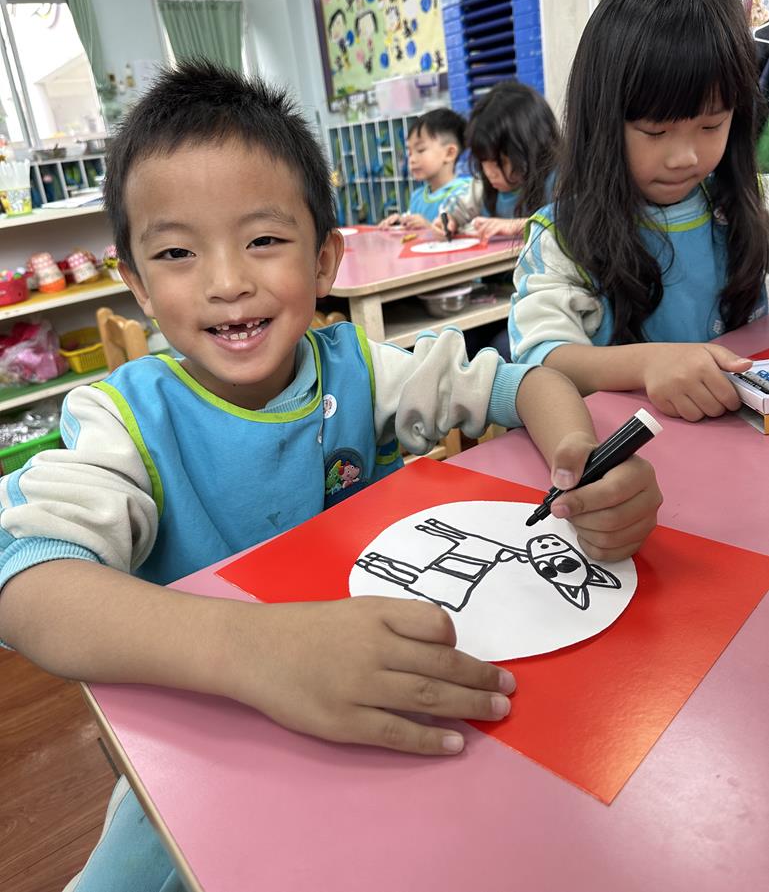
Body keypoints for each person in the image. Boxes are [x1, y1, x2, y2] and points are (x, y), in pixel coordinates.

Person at [0, 62, 661, 892]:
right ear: (135, 283)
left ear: (323, 260)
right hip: (209, 744)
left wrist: (578, 463)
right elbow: (26, 581)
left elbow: (520, 380)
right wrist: (257, 649)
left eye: (262, 240)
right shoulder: (125, 421)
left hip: (376, 709)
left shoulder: (360, 370)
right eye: (175, 252)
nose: (227, 281)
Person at [509, 0, 769, 421]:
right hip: (630, 446)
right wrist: (648, 363)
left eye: (711, 125)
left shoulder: (741, 205)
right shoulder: (563, 237)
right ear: (602, 119)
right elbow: (541, 358)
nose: (684, 156)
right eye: (655, 131)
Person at [435, 81, 559, 242]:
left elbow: (570, 220)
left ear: (532, 149)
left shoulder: (558, 180)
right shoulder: (484, 188)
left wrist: (518, 225)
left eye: (499, 162)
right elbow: (457, 207)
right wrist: (449, 219)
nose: (489, 172)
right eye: (483, 161)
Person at [378, 107, 470, 229]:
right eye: (409, 152)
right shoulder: (417, 196)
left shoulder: (466, 192)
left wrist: (428, 227)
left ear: (449, 153)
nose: (412, 159)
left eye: (420, 150)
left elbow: (467, 233)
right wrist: (400, 222)